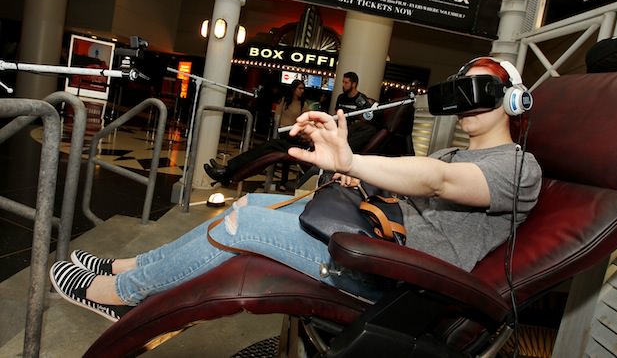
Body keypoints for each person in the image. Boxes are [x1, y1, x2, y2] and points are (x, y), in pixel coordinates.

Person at [49, 57, 542, 322]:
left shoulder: (519, 166)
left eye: (486, 91)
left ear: (515, 102)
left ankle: (123, 296)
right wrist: (358, 175)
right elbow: (422, 190)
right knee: (251, 201)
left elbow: (438, 181)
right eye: (464, 91)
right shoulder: (455, 153)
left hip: (391, 274)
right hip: (375, 238)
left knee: (246, 225)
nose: (470, 103)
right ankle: (134, 267)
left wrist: (352, 160)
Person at [204, 79, 310, 190]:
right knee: (267, 152)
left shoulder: (304, 105)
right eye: (299, 88)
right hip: (288, 135)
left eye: (303, 89)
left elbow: (306, 125)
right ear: (293, 89)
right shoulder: (285, 101)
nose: (301, 91)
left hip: (302, 145)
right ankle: (228, 172)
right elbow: (278, 116)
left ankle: (228, 173)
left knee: (270, 148)